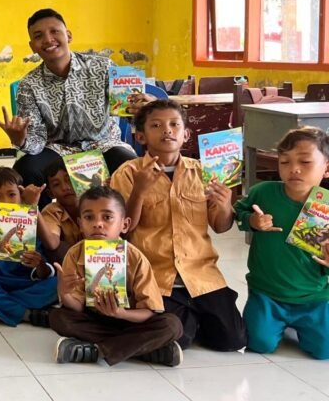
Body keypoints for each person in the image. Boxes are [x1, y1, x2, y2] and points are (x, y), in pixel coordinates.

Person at [110, 100, 246, 352]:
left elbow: (220, 226)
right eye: (156, 125)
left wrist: (226, 204)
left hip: (201, 274)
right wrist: (139, 191)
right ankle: (183, 321)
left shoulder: (205, 172)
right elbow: (123, 229)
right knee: (179, 339)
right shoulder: (127, 173)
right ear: (141, 136)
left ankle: (191, 317)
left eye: (174, 124)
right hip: (157, 276)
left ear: (186, 134)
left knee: (233, 340)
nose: (167, 130)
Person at [0, 9, 136, 207]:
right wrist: (21, 139)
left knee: (129, 166)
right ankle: (43, 230)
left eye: (55, 31)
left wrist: (140, 108)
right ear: (32, 46)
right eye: (38, 36)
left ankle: (125, 227)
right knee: (26, 168)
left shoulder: (104, 67)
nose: (48, 39)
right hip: (58, 149)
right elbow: (36, 143)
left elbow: (130, 114)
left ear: (68, 35)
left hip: (104, 145)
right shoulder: (29, 85)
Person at [50, 187, 183, 366]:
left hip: (130, 320)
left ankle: (95, 351)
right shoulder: (74, 255)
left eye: (107, 217)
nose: (98, 224)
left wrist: (120, 313)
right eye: (89, 217)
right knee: (58, 317)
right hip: (95, 320)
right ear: (80, 224)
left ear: (124, 224)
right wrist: (65, 293)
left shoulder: (135, 257)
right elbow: (77, 307)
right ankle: (142, 350)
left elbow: (149, 311)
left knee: (172, 325)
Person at [233, 127, 329, 359]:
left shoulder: (325, 204)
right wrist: (252, 221)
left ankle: (302, 325)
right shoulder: (263, 192)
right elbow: (238, 212)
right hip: (267, 294)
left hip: (315, 297)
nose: (294, 169)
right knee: (259, 344)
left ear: (326, 167)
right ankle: (279, 323)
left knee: (323, 351)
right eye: (284, 162)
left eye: (305, 162)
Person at [0, 167, 56, 327]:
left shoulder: (33, 224)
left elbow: (45, 272)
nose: (6, 201)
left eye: (12, 194)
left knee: (56, 284)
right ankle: (25, 314)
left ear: (21, 196)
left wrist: (40, 264)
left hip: (27, 283)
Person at [39, 160, 82, 263]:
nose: (65, 187)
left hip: (100, 259)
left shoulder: (96, 204)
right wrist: (33, 209)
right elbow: (52, 244)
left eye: (69, 180)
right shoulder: (51, 211)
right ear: (50, 193)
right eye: (56, 184)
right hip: (71, 264)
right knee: (58, 248)